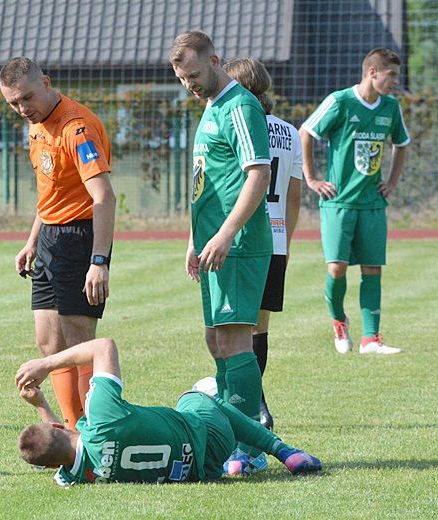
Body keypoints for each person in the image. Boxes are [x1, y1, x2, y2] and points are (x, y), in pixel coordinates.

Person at [14, 338, 322, 485]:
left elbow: (57, 451)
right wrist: (45, 364)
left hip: (203, 472)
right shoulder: (101, 415)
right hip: (212, 436)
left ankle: (241, 460)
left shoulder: (76, 478)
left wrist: (42, 404)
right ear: (57, 428)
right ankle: (282, 450)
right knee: (196, 395)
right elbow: (104, 347)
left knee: (194, 409)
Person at [169, 32, 272, 472]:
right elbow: (206, 180)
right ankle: (236, 436)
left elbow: (258, 174)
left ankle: (250, 445)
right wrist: (196, 238)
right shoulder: (211, 107)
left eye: (193, 74)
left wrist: (227, 233)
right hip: (212, 246)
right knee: (216, 339)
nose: (188, 84)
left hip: (240, 244)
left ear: (215, 60)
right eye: (181, 78)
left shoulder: (240, 105)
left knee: (233, 338)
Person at [0, 57, 116, 430]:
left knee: (80, 343)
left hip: (80, 237)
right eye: (13, 103)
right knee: (49, 342)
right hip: (49, 236)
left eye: (26, 98)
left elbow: (104, 198)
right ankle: (70, 428)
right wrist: (32, 240)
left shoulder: (76, 128)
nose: (22, 109)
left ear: (46, 82)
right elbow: (51, 192)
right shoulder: (36, 127)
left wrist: (99, 261)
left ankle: (94, 434)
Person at [299, 48, 410, 355]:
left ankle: (370, 339)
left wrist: (391, 182)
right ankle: (339, 321)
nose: (395, 82)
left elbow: (402, 145)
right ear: (372, 72)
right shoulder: (340, 102)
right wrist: (312, 179)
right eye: (391, 76)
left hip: (372, 204)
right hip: (339, 203)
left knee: (373, 270)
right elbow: (305, 132)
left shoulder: (390, 107)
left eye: (396, 77)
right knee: (337, 268)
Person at [223, 58, 303, 431]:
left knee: (233, 327)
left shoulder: (237, 123)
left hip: (242, 238)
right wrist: (285, 236)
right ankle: (260, 406)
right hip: (277, 238)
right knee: (260, 328)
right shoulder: (289, 132)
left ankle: (249, 407)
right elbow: (294, 195)